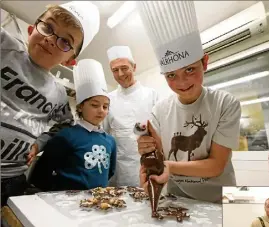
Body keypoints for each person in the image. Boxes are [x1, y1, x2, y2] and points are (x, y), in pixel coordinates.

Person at [136, 1, 241, 203]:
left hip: (219, 200)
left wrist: (169, 166)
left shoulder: (225, 103)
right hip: (178, 199)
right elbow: (158, 156)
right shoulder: (159, 110)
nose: (181, 83)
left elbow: (216, 165)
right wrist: (148, 154)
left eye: (190, 70)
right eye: (171, 75)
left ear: (205, 62)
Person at [1, 1, 100, 206]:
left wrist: (39, 143)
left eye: (65, 41)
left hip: (11, 180)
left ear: (69, 61)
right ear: (32, 28)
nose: (51, 40)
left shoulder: (59, 95)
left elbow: (64, 124)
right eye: (48, 27)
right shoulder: (4, 46)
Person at [29, 59, 116, 191]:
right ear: (80, 107)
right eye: (94, 105)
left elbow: (110, 172)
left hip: (97, 202)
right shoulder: (65, 136)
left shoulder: (110, 141)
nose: (101, 110)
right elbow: (40, 174)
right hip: (67, 202)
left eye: (105, 106)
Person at [104, 46, 159, 187]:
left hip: (146, 166)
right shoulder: (108, 100)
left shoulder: (151, 95)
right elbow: (103, 135)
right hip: (118, 169)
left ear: (134, 67)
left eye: (124, 68)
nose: (120, 74)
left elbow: (160, 133)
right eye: (115, 70)